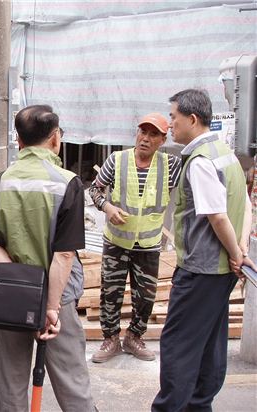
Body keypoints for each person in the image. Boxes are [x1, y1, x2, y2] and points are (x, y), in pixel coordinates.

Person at [0, 105, 95, 412]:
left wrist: (20, 285)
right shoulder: (67, 183)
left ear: (18, 140)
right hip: (58, 300)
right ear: (55, 138)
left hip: (10, 298)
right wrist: (51, 307)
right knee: (71, 382)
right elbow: (64, 254)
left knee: (10, 382)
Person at [152, 89, 256, 411]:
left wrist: (237, 254)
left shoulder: (200, 161)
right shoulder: (224, 151)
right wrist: (240, 248)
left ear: (192, 119)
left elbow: (217, 215)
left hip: (201, 271)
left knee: (179, 347)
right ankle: (199, 404)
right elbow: (245, 206)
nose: (170, 124)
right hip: (221, 271)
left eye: (173, 117)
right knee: (210, 345)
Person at [89, 112, 181, 363]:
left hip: (149, 245)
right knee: (110, 293)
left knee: (146, 296)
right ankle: (110, 339)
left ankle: (134, 337)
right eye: (143, 132)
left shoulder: (171, 165)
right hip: (116, 242)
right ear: (136, 133)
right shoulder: (116, 160)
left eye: (153, 134)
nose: (145, 138)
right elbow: (94, 189)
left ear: (163, 139)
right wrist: (107, 207)